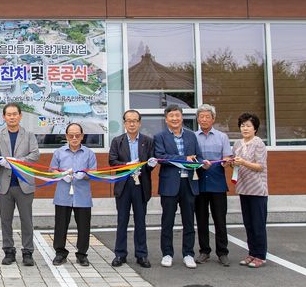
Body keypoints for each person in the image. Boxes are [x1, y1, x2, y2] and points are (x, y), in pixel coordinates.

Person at [154, 104, 209, 269]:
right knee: (167, 221)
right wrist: (184, 158)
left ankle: (188, 254)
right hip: (169, 184)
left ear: (181, 117)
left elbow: (197, 157)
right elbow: (161, 157)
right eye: (171, 116)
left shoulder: (192, 136)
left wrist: (202, 163)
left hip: (189, 183)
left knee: (189, 221)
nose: (175, 119)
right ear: (166, 119)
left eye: (177, 115)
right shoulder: (160, 136)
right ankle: (167, 253)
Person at [0, 103, 39, 266]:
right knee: (6, 220)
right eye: (9, 114)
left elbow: (35, 155)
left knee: (26, 220)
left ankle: (28, 252)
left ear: (20, 116)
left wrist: (18, 162)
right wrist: (1, 161)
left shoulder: (29, 135)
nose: (12, 117)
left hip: (24, 184)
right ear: (4, 117)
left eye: (15, 114)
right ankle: (8, 251)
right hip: (5, 185)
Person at [108, 110, 156, 268]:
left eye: (135, 120)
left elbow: (150, 162)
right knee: (122, 220)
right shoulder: (117, 141)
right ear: (124, 123)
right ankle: (120, 254)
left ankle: (141, 254)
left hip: (141, 185)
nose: (132, 123)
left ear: (140, 123)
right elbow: (112, 161)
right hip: (124, 184)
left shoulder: (148, 141)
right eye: (128, 121)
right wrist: (126, 166)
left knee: (140, 221)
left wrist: (150, 165)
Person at [50, 123, 97, 267]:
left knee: (84, 226)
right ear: (66, 136)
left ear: (82, 136)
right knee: (60, 225)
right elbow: (51, 171)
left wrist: (85, 174)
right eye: (71, 136)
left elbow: (94, 172)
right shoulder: (59, 152)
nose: (74, 138)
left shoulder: (89, 153)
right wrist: (61, 174)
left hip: (82, 196)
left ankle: (82, 254)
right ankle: (60, 253)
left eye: (77, 135)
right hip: (63, 195)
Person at [194, 104, 233, 267]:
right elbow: (191, 158)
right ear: (197, 119)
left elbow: (227, 157)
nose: (204, 119)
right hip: (199, 183)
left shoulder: (222, 137)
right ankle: (204, 251)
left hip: (217, 183)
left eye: (207, 117)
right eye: (201, 117)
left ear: (213, 119)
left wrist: (226, 163)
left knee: (220, 219)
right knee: (201, 219)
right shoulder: (192, 136)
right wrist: (199, 164)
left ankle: (222, 252)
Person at [233, 113, 269, 268]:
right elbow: (236, 164)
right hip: (243, 188)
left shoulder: (259, 143)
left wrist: (244, 162)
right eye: (242, 125)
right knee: (248, 223)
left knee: (258, 223)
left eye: (248, 125)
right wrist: (230, 163)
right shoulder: (237, 144)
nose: (245, 128)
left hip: (257, 189)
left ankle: (260, 255)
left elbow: (260, 166)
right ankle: (252, 253)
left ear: (255, 128)